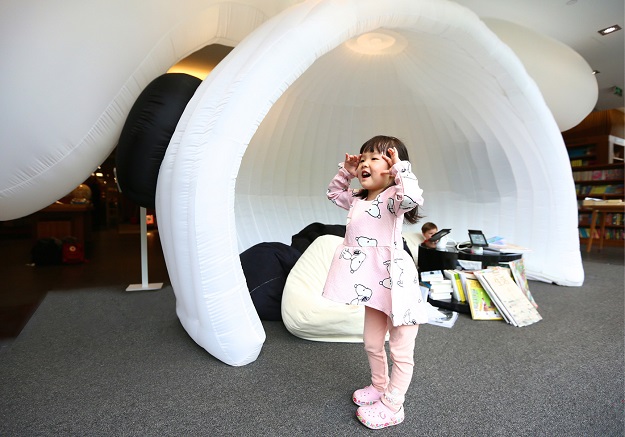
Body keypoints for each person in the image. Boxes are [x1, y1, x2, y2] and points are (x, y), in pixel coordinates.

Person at [322, 135, 428, 430]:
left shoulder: (395, 198)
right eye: (363, 158)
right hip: (372, 284)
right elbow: (333, 193)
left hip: (398, 284)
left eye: (375, 158)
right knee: (371, 342)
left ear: (392, 168)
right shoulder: (357, 199)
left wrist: (401, 170)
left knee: (401, 348)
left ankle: (394, 404)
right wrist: (345, 171)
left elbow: (412, 198)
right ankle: (379, 386)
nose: (365, 163)